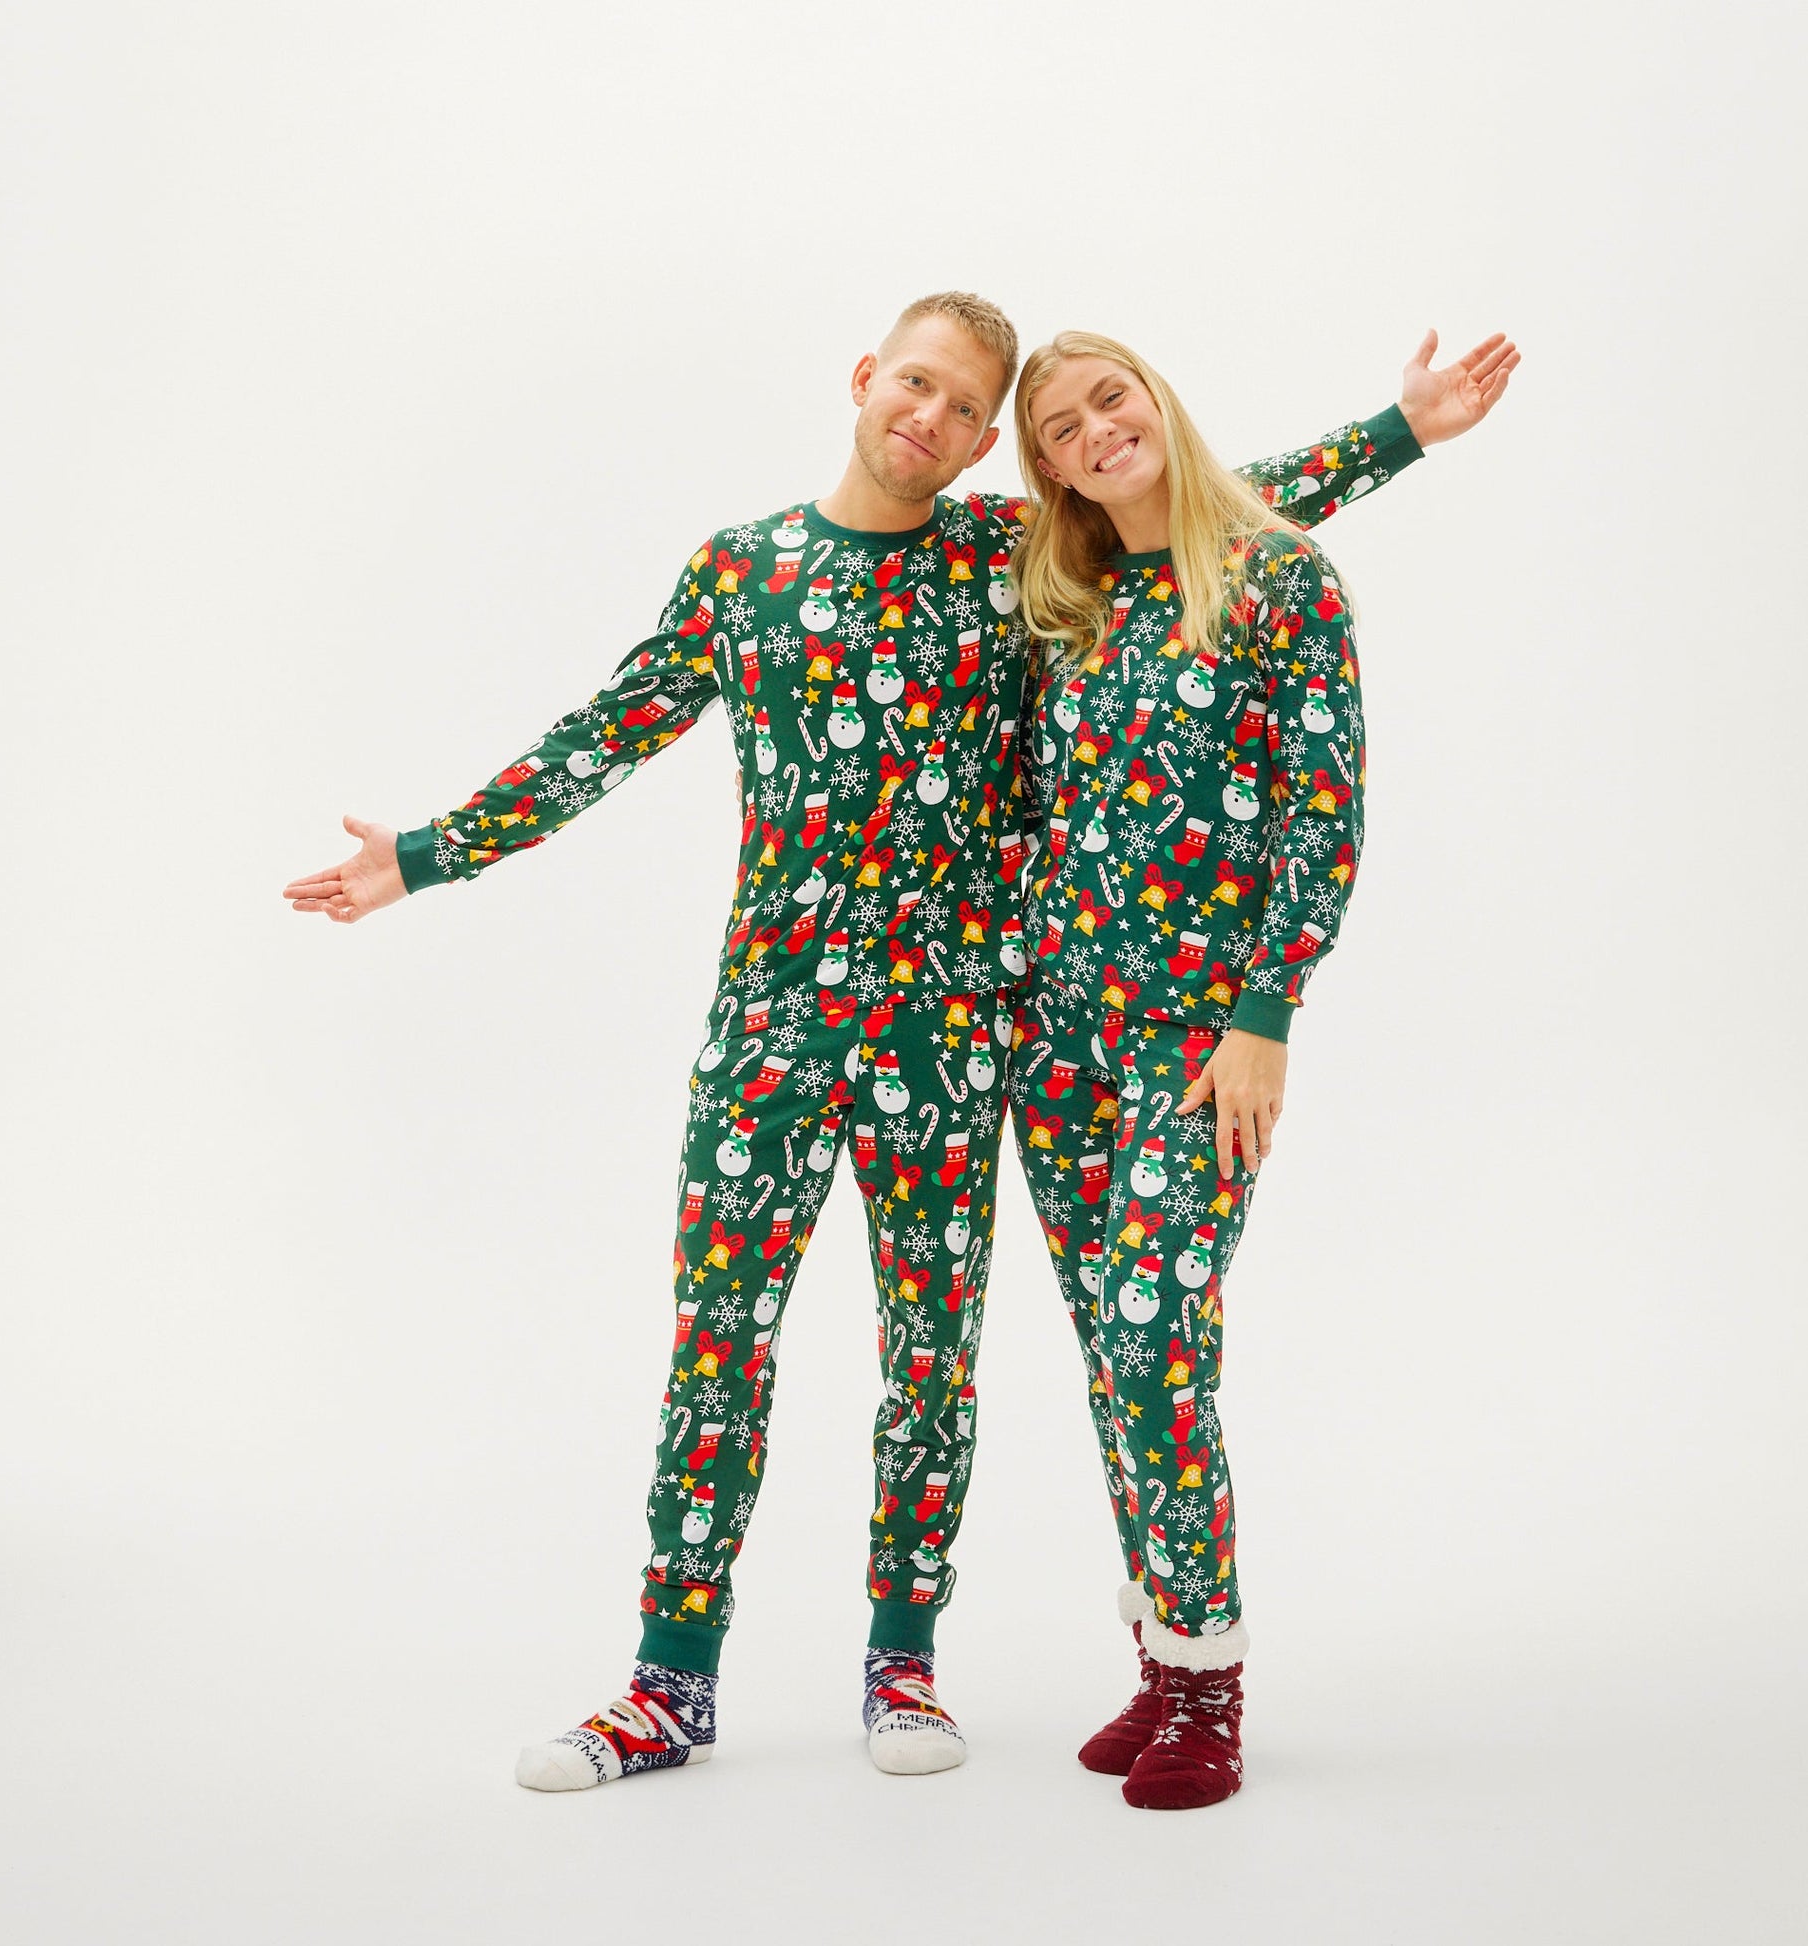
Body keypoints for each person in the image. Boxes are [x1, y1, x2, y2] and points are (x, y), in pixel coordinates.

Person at [281, 293, 1514, 1791]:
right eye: (916, 385)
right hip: (773, 1028)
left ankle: (907, 1667)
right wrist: (425, 856)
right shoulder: (743, 571)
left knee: (934, 1362)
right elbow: (603, 733)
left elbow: (1201, 500)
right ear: (867, 378)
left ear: (991, 446)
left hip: (957, 1034)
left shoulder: (1014, 559)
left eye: (969, 408)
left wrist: (1398, 434)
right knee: (717, 1347)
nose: (932, 418)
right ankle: (669, 1685)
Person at [1003, 326, 1510, 1810]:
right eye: (1060, 427)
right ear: (1046, 468)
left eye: (1111, 399)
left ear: (1155, 398)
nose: (1096, 432)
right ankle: (1161, 1658)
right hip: (1058, 1036)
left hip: (1196, 1042)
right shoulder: (1069, 600)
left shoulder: (1279, 576)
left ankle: (1212, 1686)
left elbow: (1321, 814)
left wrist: (1263, 1016)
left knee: (1155, 1330)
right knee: (1112, 1352)